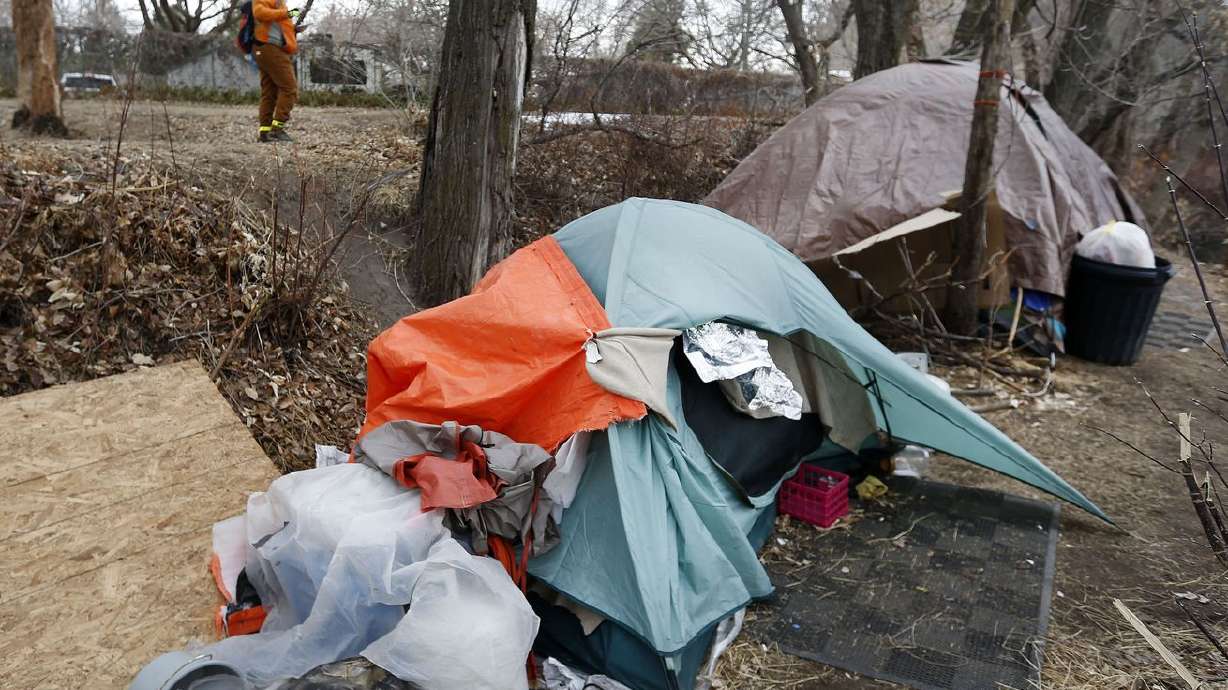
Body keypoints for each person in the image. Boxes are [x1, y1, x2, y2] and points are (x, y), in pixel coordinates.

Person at [252, 0, 300, 143]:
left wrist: (293, 29)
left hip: (265, 48)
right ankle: (277, 129)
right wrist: (288, 13)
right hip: (270, 48)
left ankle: (265, 132)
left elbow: (275, 25)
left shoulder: (279, 4)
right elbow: (259, 13)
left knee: (269, 92)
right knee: (290, 89)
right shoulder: (266, 2)